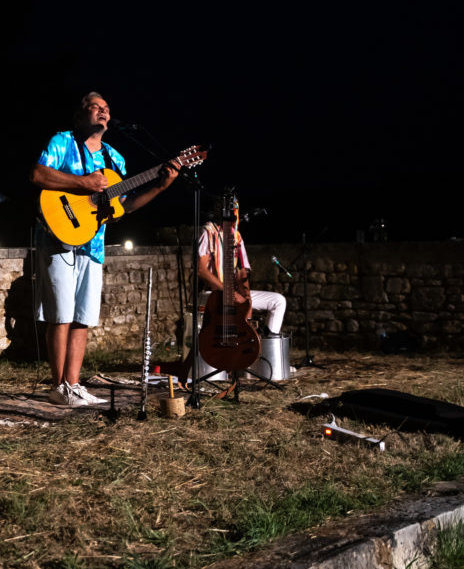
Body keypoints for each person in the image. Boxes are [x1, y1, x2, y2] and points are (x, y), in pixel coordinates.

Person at [30, 92, 179, 407]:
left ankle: (73, 383)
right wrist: (84, 184)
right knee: (61, 315)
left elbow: (123, 206)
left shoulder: (115, 159)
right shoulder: (62, 142)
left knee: (83, 317)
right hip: (59, 239)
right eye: (95, 107)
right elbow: (38, 175)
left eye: (107, 109)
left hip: (94, 245)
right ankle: (57, 387)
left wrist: (159, 186)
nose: (103, 112)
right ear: (80, 115)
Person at [196, 195, 286, 337]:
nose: (235, 216)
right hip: (211, 294)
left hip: (233, 294)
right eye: (232, 212)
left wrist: (247, 305)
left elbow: (242, 275)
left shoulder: (236, 236)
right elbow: (201, 270)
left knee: (278, 301)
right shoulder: (208, 231)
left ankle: (265, 346)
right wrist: (228, 291)